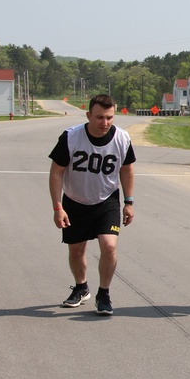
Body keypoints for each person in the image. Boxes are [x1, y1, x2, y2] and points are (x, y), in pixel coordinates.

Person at [48, 94, 135, 316]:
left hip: (107, 200)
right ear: (88, 115)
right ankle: (81, 287)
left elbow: (126, 170)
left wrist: (129, 202)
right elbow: (56, 172)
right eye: (99, 117)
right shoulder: (71, 137)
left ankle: (103, 293)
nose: (104, 123)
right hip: (75, 201)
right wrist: (58, 207)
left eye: (109, 117)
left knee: (109, 246)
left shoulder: (122, 139)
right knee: (77, 250)